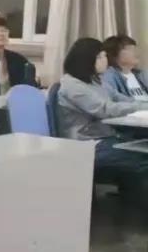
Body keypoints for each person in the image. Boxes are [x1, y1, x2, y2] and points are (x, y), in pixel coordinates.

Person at [57, 37, 148, 188]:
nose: (105, 60)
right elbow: (106, 109)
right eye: (100, 57)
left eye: (105, 56)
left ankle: (133, 197)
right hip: (89, 144)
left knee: (142, 152)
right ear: (86, 60)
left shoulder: (96, 81)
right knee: (141, 159)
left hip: (108, 137)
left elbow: (123, 99)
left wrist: (142, 105)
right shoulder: (72, 86)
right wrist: (141, 107)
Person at [102, 35, 148, 102]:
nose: (136, 52)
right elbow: (112, 102)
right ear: (114, 54)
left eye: (135, 49)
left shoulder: (141, 74)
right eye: (130, 49)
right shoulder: (109, 76)